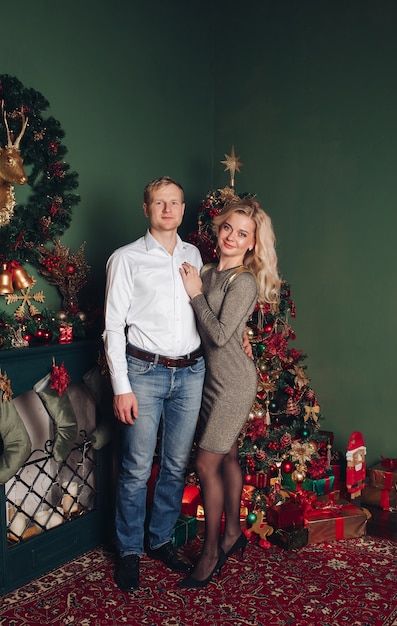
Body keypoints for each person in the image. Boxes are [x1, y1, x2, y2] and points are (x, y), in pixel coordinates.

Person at [103, 176, 206, 592]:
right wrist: (120, 387)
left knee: (177, 464)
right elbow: (112, 327)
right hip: (143, 374)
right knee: (136, 468)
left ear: (183, 209)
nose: (168, 209)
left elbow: (203, 308)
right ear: (146, 209)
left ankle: (160, 538)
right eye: (159, 203)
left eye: (176, 203)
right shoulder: (125, 259)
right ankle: (129, 550)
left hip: (192, 372)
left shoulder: (193, 254)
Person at [177, 197, 281, 588]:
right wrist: (198, 289)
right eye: (227, 228)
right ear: (217, 228)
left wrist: (195, 294)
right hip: (208, 381)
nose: (231, 238)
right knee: (229, 457)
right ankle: (234, 532)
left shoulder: (245, 281)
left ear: (253, 243)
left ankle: (211, 552)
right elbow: (218, 331)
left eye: (242, 234)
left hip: (234, 384)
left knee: (206, 464)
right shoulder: (205, 270)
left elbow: (220, 337)